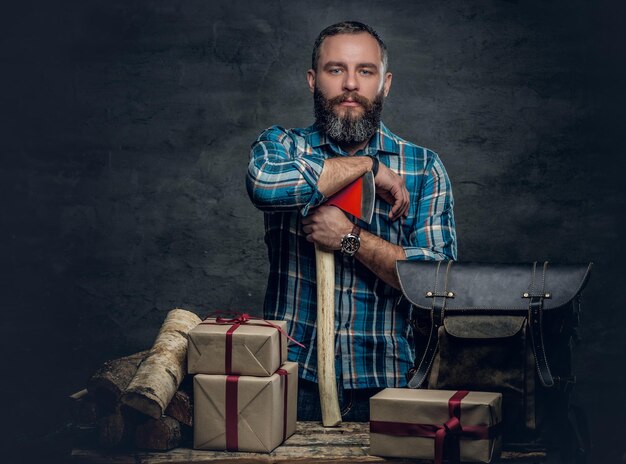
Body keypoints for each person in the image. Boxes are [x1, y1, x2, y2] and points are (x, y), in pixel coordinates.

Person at [246, 21, 457, 421]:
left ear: (385, 83)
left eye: (365, 71)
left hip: (391, 384)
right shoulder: (282, 147)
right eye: (335, 69)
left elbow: (439, 285)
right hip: (291, 383)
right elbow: (264, 185)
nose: (350, 84)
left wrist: (349, 237)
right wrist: (366, 167)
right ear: (313, 80)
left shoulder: (423, 168)